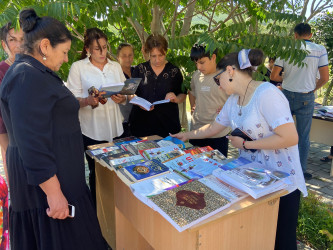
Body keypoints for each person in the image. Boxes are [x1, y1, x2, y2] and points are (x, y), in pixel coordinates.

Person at [172, 49, 307, 250]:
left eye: (218, 80)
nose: (218, 85)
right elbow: (214, 128)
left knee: (281, 241)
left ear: (230, 71)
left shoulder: (267, 94)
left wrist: (245, 145)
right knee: (259, 238)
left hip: (282, 183)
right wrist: (186, 135)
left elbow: (290, 137)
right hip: (255, 181)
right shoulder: (233, 100)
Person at [0, 9, 107, 249]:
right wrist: (54, 193)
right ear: (45, 46)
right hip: (47, 187)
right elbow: (32, 141)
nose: (67, 58)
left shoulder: (34, 72)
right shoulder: (25, 76)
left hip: (59, 177)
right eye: (65, 52)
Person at [66, 28, 126, 206]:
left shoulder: (115, 66)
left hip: (116, 128)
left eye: (105, 47)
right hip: (91, 130)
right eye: (97, 48)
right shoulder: (78, 67)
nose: (102, 52)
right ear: (88, 49)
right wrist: (87, 101)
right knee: (96, 173)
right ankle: (97, 211)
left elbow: (126, 93)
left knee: (119, 170)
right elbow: (71, 99)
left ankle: (119, 209)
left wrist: (123, 97)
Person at [271, 23, 329, 180]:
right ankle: (300, 171)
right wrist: (312, 89)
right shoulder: (320, 50)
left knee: (281, 132)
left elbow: (274, 77)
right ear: (310, 35)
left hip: (287, 96)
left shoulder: (286, 49)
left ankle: (278, 167)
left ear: (295, 35)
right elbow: (325, 78)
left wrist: (287, 79)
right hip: (306, 97)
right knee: (303, 136)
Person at [129, 34, 186, 137]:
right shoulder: (139, 69)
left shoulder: (174, 71)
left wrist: (175, 99)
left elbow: (182, 94)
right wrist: (138, 103)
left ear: (166, 52)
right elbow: (129, 94)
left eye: (161, 55)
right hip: (141, 125)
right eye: (153, 56)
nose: (157, 60)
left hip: (167, 125)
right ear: (148, 54)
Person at [188, 43, 230, 157]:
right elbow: (191, 92)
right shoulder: (196, 75)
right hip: (197, 131)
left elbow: (237, 100)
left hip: (218, 134)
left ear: (213, 57)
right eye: (196, 63)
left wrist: (227, 109)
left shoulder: (225, 76)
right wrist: (193, 107)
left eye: (202, 62)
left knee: (217, 170)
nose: (198, 67)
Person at [0, 23, 24, 184]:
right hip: (10, 136)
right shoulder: (1, 70)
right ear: (4, 44)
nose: (19, 45)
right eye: (13, 39)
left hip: (37, 136)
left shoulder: (35, 66)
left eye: (23, 39)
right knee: (18, 183)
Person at [116, 43, 135, 138]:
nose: (128, 58)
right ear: (118, 57)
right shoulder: (114, 75)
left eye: (130, 55)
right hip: (121, 123)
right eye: (124, 56)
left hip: (137, 121)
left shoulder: (137, 71)